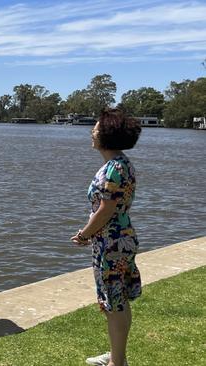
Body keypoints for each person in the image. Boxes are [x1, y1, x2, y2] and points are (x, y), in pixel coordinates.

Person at [71, 109, 142, 366]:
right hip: (116, 237)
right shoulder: (119, 164)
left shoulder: (114, 168)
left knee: (114, 301)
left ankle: (117, 362)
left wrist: (84, 234)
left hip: (112, 241)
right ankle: (116, 355)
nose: (92, 132)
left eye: (97, 128)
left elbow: (105, 209)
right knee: (117, 299)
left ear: (108, 134)